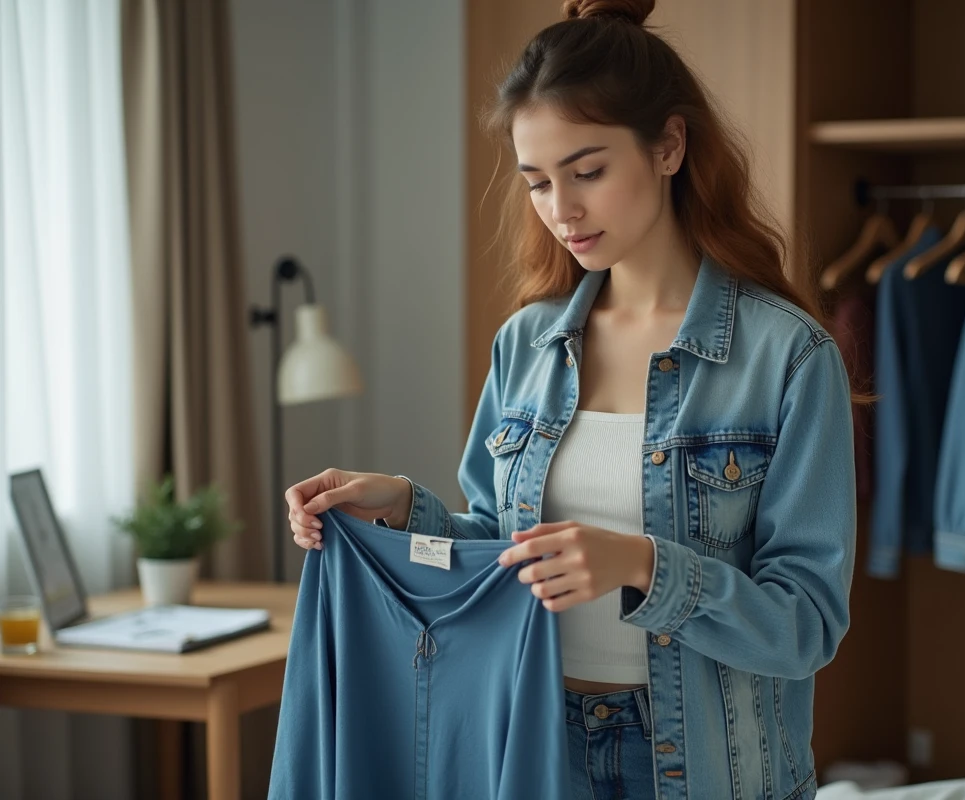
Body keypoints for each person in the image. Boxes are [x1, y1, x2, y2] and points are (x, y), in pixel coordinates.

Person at [284, 1, 856, 797]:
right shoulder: (527, 344)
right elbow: (499, 545)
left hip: (707, 774)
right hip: (535, 751)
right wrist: (403, 507)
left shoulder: (788, 356)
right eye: (539, 183)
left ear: (669, 145)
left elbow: (806, 624)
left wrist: (638, 566)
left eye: (587, 172)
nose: (563, 210)